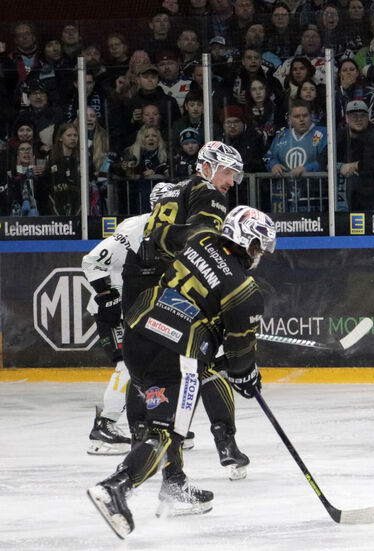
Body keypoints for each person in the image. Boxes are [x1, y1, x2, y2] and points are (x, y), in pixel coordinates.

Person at [87, 205, 276, 539]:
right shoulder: (245, 292)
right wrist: (248, 376)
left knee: (155, 408)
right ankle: (116, 487)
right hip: (176, 352)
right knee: (167, 431)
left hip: (138, 328)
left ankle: (173, 484)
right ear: (248, 243)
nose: (260, 253)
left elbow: (156, 235)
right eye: (259, 246)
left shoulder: (198, 235)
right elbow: (240, 359)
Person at [123, 141, 251, 483]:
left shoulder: (170, 192)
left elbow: (158, 237)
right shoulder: (208, 193)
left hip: (143, 291)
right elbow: (203, 240)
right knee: (194, 374)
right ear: (207, 166)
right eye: (228, 171)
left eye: (236, 174)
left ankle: (153, 451)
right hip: (171, 299)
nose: (232, 181)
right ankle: (200, 457)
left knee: (150, 380)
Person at [81, 182, 177, 455]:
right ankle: (104, 427)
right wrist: (106, 295)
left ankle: (150, 421)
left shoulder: (173, 231)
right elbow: (92, 261)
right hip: (115, 310)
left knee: (149, 365)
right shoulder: (136, 228)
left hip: (138, 309)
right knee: (128, 366)